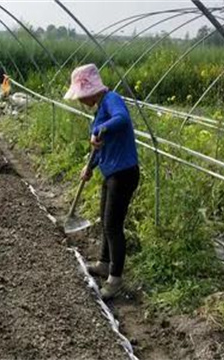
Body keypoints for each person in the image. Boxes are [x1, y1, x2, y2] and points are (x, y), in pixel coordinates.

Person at [64, 64, 140, 300]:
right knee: (105, 220)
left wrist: (100, 129)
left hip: (124, 173)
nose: (79, 100)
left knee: (113, 226)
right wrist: (90, 167)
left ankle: (115, 280)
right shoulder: (99, 110)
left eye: (80, 95)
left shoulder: (112, 99)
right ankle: (103, 263)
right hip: (110, 173)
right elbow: (100, 145)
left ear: (90, 90)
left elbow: (122, 119)